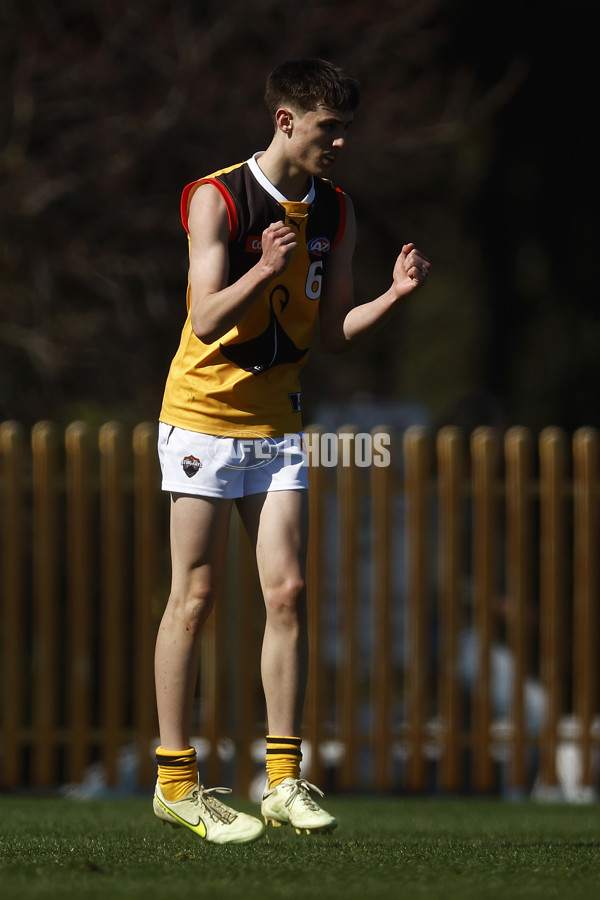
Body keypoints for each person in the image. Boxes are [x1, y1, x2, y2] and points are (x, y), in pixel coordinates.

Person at [153, 57, 431, 844]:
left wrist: (392, 298)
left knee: (288, 592)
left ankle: (281, 781)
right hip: (203, 418)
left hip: (278, 428)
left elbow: (333, 333)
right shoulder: (218, 198)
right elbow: (205, 319)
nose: (338, 142)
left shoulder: (337, 212)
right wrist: (266, 268)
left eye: (343, 129)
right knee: (196, 598)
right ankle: (176, 782)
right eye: (326, 128)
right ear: (286, 122)